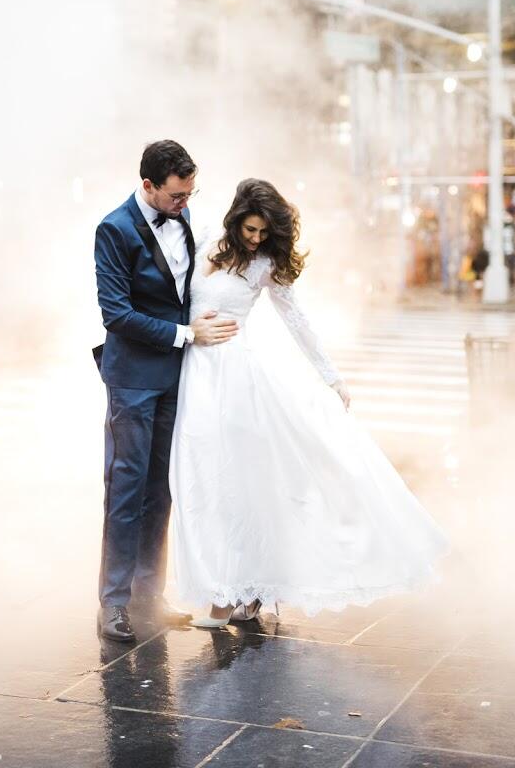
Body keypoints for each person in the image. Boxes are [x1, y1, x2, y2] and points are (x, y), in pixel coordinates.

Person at [169, 179, 448, 628]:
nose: (257, 239)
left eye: (264, 232)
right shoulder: (202, 241)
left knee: (235, 485)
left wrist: (331, 376)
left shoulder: (265, 265)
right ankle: (225, 589)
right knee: (197, 479)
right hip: (195, 373)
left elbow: (297, 320)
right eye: (251, 229)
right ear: (236, 218)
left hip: (236, 379)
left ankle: (233, 595)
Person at [93, 140, 238, 642]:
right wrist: (184, 333)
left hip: (178, 376)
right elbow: (115, 313)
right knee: (126, 491)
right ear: (149, 186)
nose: (186, 202)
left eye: (191, 193)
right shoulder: (113, 229)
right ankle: (112, 604)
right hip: (133, 377)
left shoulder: (184, 215)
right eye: (177, 195)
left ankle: (148, 597)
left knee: (163, 489)